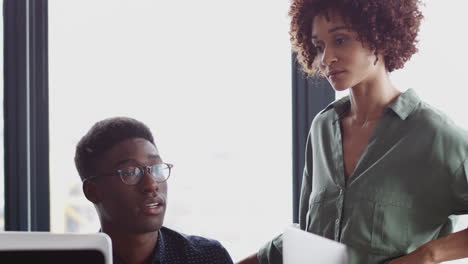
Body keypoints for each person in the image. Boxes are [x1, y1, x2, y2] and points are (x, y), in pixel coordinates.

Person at [237, 0, 468, 263]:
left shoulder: (433, 134)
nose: (326, 59)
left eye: (341, 40)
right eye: (319, 46)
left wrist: (429, 254)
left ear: (379, 36)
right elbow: (310, 237)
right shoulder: (323, 128)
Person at [75, 117, 234, 264]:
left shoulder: (207, 257)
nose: (151, 184)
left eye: (156, 168)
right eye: (131, 172)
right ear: (92, 191)